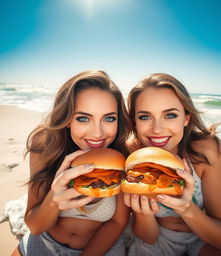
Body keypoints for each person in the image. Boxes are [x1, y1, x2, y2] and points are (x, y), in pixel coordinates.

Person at [124, 73, 221, 255]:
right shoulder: (132, 155)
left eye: (170, 115)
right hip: (158, 237)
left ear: (186, 118)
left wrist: (186, 207)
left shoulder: (207, 150)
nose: (157, 129)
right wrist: (143, 213)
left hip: (208, 226)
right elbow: (148, 237)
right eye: (145, 117)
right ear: (134, 122)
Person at [11, 70, 131, 256]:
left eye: (109, 118)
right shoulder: (45, 145)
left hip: (102, 250)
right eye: (83, 118)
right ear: (67, 119)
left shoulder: (121, 156)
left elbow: (118, 222)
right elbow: (34, 226)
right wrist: (53, 200)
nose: (98, 133)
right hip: (44, 242)